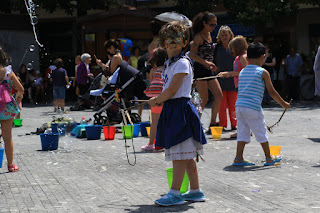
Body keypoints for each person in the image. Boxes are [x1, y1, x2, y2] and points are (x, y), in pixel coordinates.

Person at [149, 21, 207, 206]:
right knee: (186, 153)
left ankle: (175, 193)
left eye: (176, 39)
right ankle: (196, 191)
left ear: (184, 43)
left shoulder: (182, 62)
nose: (172, 43)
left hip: (179, 109)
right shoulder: (169, 62)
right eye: (168, 40)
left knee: (179, 153)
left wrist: (157, 99)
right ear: (163, 43)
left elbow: (173, 90)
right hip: (173, 109)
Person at [232, 42, 290, 166]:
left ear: (247, 58)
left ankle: (238, 157)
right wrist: (284, 104)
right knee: (261, 132)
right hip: (253, 108)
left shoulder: (242, 72)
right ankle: (269, 158)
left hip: (239, 107)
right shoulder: (263, 72)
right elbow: (272, 92)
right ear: (263, 57)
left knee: (242, 132)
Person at [189, 12, 222, 133]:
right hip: (200, 69)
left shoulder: (209, 34)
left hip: (208, 69)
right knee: (203, 99)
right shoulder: (198, 37)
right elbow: (192, 55)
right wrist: (206, 63)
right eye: (211, 25)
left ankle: (213, 123)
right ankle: (195, 124)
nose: (213, 27)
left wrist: (210, 64)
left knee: (219, 95)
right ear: (204, 23)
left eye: (215, 25)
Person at [218, 35, 248, 138]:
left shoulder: (243, 57)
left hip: (243, 87)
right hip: (238, 87)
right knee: (241, 110)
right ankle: (246, 130)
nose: (231, 50)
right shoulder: (238, 57)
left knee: (241, 110)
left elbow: (245, 72)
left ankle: (242, 131)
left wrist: (230, 74)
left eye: (232, 48)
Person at [0, 47, 24, 172]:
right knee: (7, 137)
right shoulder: (8, 71)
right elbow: (20, 89)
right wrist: (17, 99)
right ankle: (10, 165)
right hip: (7, 107)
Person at [141, 48, 167, 151]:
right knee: (165, 121)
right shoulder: (167, 69)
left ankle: (152, 143)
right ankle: (164, 143)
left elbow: (151, 83)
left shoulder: (153, 70)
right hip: (165, 97)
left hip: (154, 99)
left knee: (154, 122)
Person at [214, 26, 236, 131]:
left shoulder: (234, 47)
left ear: (230, 35)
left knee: (233, 104)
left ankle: (234, 124)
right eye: (222, 35)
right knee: (221, 104)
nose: (224, 37)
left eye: (226, 34)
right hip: (220, 78)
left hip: (233, 78)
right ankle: (222, 124)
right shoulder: (216, 47)